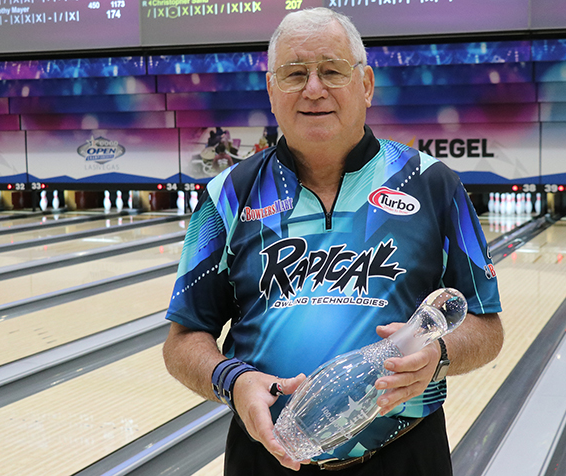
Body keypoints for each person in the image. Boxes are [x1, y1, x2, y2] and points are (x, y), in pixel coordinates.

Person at [162, 7, 503, 475]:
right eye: (295, 73)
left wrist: (439, 356)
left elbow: (487, 327)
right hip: (265, 460)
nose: (314, 88)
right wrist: (231, 380)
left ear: (365, 85)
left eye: (331, 71)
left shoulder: (431, 183)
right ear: (271, 89)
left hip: (404, 458)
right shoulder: (226, 196)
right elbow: (181, 340)